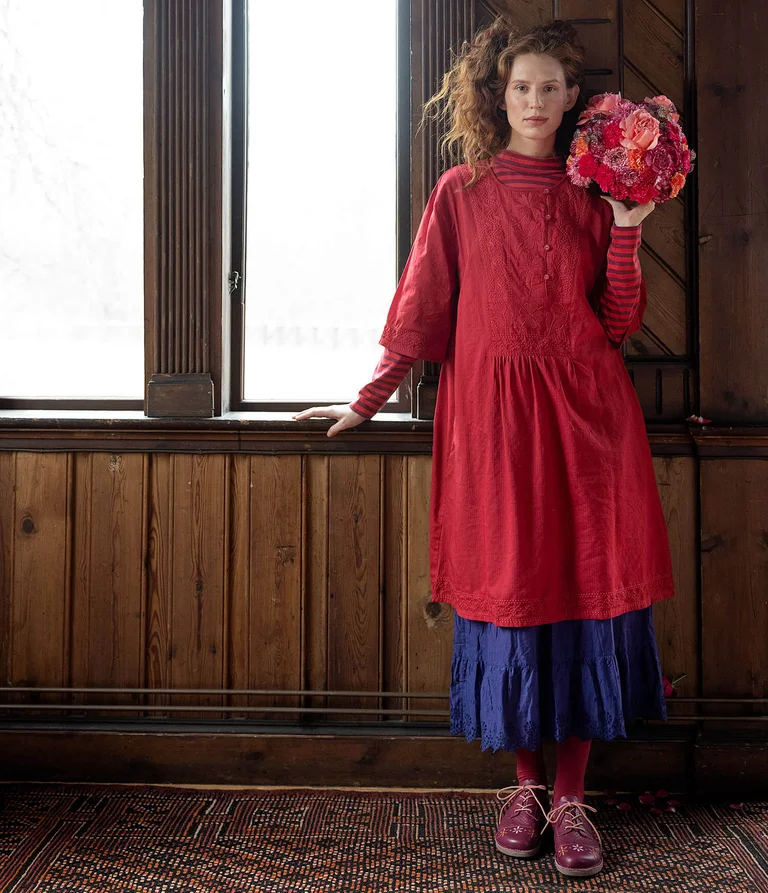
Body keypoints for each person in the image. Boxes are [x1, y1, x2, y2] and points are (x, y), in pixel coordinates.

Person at [292, 16, 675, 880]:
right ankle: (526, 787)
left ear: (573, 99)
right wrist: (367, 399)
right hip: (494, 427)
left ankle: (574, 797)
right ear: (498, 97)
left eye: (550, 87)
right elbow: (422, 303)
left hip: (588, 424)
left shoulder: (594, 190)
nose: (535, 100)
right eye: (521, 86)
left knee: (581, 596)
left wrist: (625, 227)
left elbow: (618, 321)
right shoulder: (460, 190)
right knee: (513, 595)